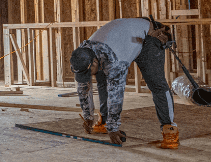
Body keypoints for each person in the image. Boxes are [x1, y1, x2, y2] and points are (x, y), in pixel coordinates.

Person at [70, 18, 179, 148]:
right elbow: (84, 88)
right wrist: (87, 116)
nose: (87, 77)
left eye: (87, 72)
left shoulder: (115, 60)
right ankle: (104, 120)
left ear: (93, 62)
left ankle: (170, 129)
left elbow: (116, 93)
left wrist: (114, 128)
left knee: (156, 83)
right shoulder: (82, 55)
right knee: (101, 78)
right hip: (124, 38)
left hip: (147, 38)